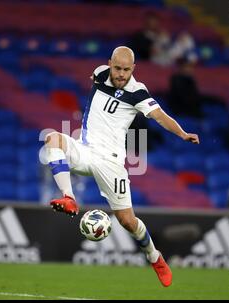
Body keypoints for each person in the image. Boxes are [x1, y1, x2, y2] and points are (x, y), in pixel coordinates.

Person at [43, 46, 199, 287]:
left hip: (111, 162)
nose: (121, 75)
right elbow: (96, 78)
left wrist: (182, 133)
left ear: (133, 69)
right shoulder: (99, 74)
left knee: (127, 220)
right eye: (117, 68)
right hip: (85, 150)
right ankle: (69, 197)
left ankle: (154, 257)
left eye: (126, 70)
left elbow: (160, 116)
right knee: (53, 138)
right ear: (109, 64)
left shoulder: (138, 92)